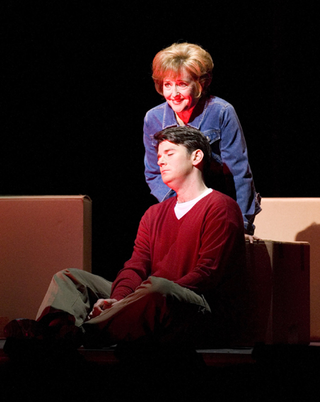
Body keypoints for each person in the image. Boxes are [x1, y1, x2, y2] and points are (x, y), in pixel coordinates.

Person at [4, 127, 246, 353]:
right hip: (149, 296)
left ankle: (72, 334)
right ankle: (52, 328)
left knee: (157, 288)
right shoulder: (154, 214)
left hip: (195, 307)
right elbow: (136, 264)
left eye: (170, 153)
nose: (161, 160)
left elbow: (207, 273)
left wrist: (134, 299)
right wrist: (117, 299)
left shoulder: (221, 207)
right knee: (70, 277)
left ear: (196, 157)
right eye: (159, 154)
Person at [143, 42, 261, 237]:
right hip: (178, 208)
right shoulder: (153, 118)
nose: (174, 94)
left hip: (221, 207)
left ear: (200, 83)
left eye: (182, 84)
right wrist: (183, 209)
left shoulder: (221, 112)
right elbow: (154, 173)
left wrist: (243, 223)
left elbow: (239, 172)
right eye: (167, 85)